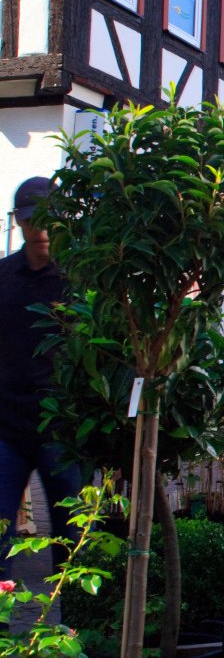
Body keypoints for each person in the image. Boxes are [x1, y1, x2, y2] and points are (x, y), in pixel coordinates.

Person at [0, 177, 82, 579]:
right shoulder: (3, 278)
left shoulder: (78, 280)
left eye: (50, 220)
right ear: (18, 221)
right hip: (7, 428)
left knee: (73, 539)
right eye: (34, 221)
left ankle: (76, 634)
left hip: (61, 430)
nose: (43, 231)